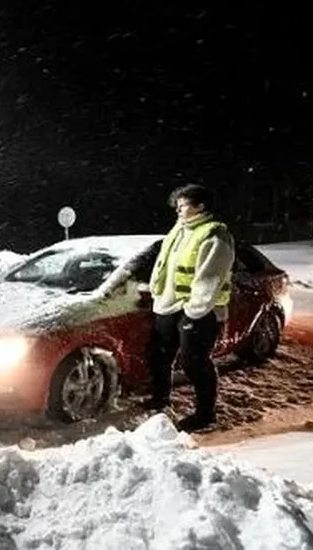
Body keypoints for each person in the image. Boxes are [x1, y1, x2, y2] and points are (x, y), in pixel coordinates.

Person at [100, 184, 235, 432]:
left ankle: (205, 414)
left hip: (197, 311)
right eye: (178, 205)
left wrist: (194, 311)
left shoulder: (214, 235)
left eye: (183, 205)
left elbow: (210, 278)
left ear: (200, 206)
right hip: (168, 306)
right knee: (159, 354)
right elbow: (163, 263)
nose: (178, 210)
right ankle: (160, 398)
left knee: (195, 363)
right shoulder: (179, 230)